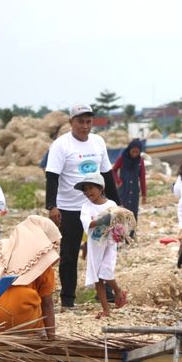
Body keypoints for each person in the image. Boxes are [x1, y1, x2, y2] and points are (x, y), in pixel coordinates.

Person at [45, 104, 119, 308]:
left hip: (98, 207)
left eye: (88, 121)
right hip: (70, 207)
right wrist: (52, 206)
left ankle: (107, 293)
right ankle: (68, 300)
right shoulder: (61, 145)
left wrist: (118, 206)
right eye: (80, 121)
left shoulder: (98, 142)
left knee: (104, 249)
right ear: (71, 122)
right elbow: (52, 176)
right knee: (69, 254)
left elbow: (107, 175)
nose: (85, 126)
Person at [0, 215, 59, 338]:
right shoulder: (42, 262)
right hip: (22, 329)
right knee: (39, 318)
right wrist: (52, 340)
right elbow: (47, 305)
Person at [76, 174, 128, 319]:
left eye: (91, 188)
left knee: (106, 270)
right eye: (85, 190)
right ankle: (106, 309)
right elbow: (89, 223)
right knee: (97, 277)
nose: (88, 192)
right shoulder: (86, 207)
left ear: (101, 188)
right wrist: (104, 219)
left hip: (110, 243)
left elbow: (119, 221)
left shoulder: (111, 204)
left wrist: (119, 229)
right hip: (95, 246)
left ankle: (117, 291)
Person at [111, 139, 147, 220]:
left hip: (134, 191)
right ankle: (121, 232)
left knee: (133, 214)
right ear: (129, 149)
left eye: (137, 152)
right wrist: (118, 181)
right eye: (133, 151)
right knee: (122, 213)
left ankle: (132, 232)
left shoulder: (140, 161)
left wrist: (144, 194)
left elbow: (142, 178)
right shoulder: (122, 158)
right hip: (123, 189)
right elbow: (113, 170)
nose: (134, 154)